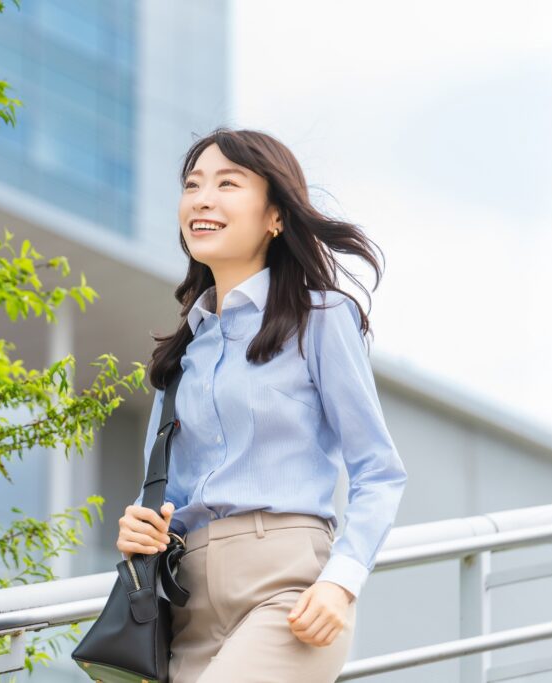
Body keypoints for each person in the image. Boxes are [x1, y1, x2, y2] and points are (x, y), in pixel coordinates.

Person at [115, 127, 408, 682]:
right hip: (187, 605)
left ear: (275, 215)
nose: (203, 197)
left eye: (228, 183)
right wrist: (140, 525)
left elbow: (379, 472)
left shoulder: (319, 319)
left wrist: (340, 581)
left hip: (289, 592)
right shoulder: (182, 354)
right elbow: (166, 494)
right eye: (193, 184)